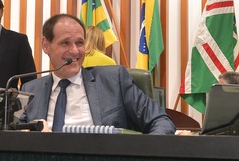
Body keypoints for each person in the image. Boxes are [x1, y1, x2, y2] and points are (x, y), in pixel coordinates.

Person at [21, 14, 175, 134]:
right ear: (46, 46)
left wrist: (142, 156)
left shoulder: (114, 81)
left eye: (80, 43)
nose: (74, 51)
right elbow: (14, 134)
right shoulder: (31, 90)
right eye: (65, 43)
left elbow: (161, 121)